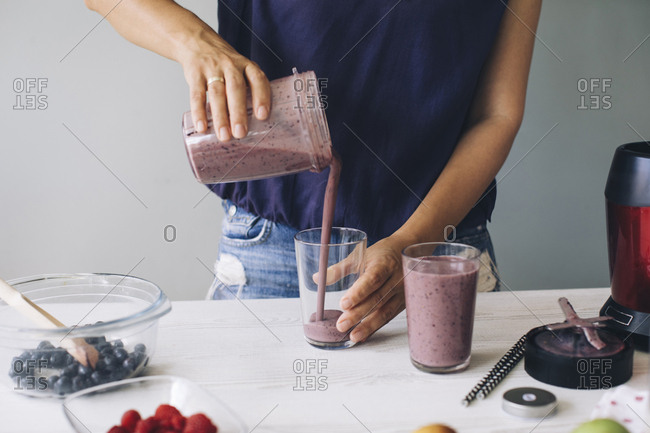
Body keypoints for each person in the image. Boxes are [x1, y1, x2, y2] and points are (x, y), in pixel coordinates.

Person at [86, 0, 542, 344]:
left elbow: (496, 113)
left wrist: (413, 241)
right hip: (275, 254)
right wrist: (196, 43)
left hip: (439, 253)